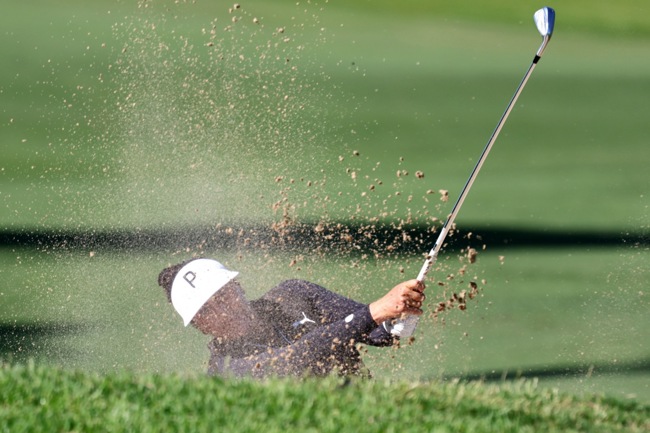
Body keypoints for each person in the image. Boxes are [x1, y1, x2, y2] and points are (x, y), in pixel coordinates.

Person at [157, 257, 426, 378]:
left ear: (237, 286)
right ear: (199, 326)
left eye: (223, 295)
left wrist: (402, 315)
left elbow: (380, 334)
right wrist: (375, 311)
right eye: (205, 311)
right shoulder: (225, 369)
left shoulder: (293, 294)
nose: (222, 311)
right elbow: (298, 357)